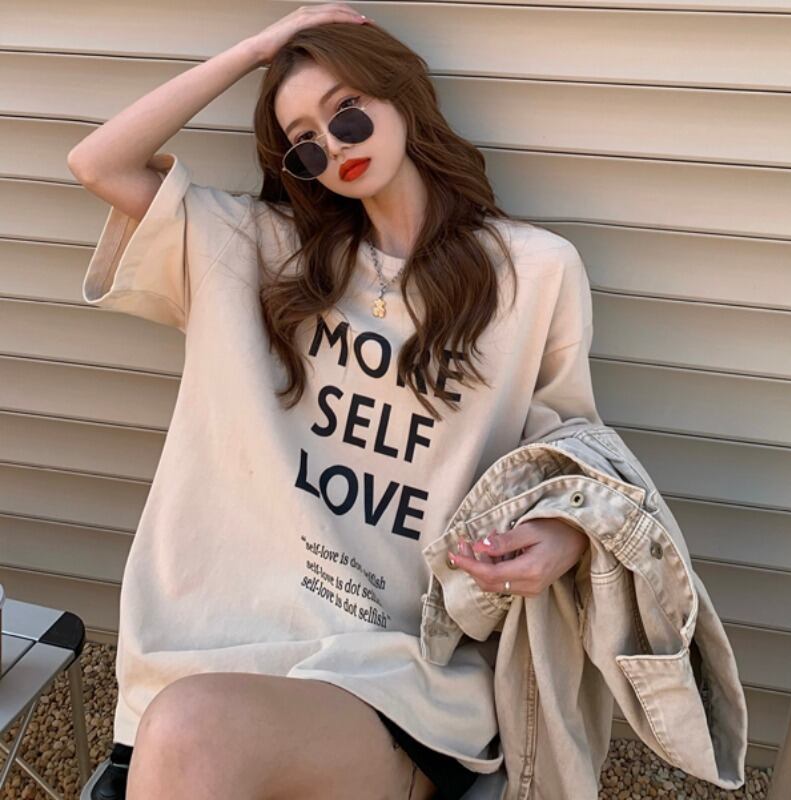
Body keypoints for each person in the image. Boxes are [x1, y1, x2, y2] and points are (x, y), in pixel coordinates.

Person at [68, 4, 599, 799]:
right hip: (224, 649)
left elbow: (575, 455)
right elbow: (98, 162)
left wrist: (562, 536)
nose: (335, 145)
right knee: (188, 726)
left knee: (189, 729)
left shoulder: (534, 274)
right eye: (307, 142)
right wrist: (255, 51)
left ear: (400, 95)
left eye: (347, 111)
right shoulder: (258, 251)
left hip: (398, 678)